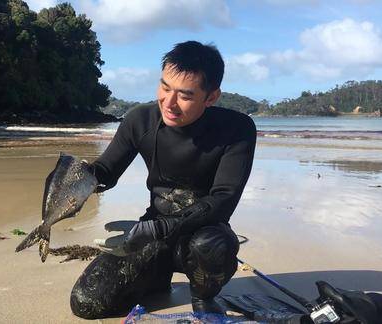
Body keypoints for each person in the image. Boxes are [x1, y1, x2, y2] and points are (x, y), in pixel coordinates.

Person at [70, 41, 257, 319]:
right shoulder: (140, 120)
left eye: (185, 95)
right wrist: (78, 179)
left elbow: (223, 200)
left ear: (211, 97)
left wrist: (161, 227)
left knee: (212, 246)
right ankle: (155, 276)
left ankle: (202, 295)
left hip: (203, 236)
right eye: (165, 87)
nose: (168, 103)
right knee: (87, 303)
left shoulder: (237, 130)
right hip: (151, 238)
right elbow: (105, 171)